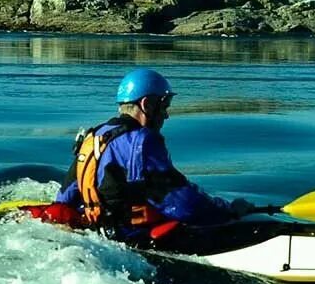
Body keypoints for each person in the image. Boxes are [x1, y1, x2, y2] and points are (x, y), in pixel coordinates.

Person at [54, 68, 248, 241]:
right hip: (132, 237)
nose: (166, 115)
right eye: (164, 106)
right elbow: (183, 204)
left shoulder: (93, 136)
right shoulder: (143, 141)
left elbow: (64, 199)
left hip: (97, 234)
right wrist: (228, 210)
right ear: (146, 104)